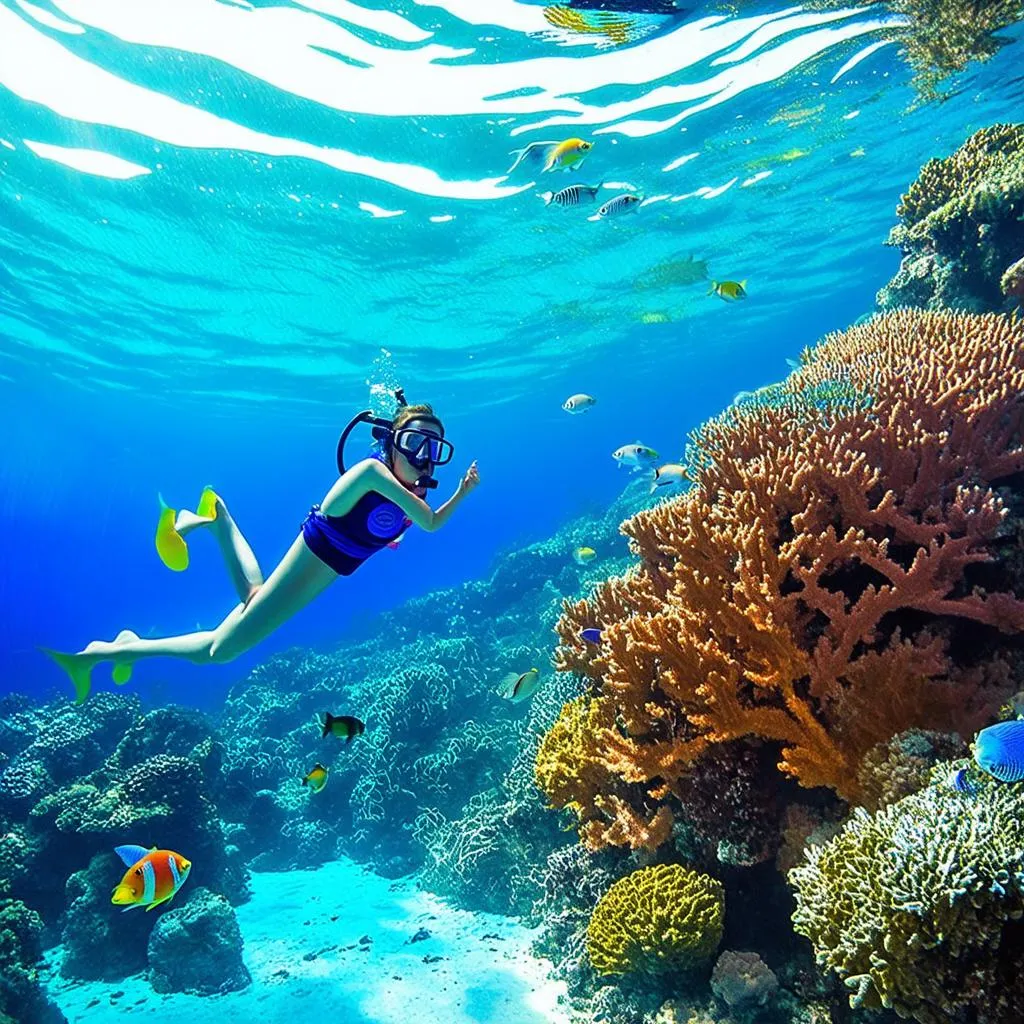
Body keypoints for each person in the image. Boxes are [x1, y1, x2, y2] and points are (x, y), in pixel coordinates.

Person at [44, 396, 478, 704]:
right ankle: (113, 649)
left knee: (248, 602)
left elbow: (393, 525)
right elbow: (431, 522)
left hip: (329, 567)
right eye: (414, 444)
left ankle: (218, 520)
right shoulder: (374, 473)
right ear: (391, 443)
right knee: (219, 651)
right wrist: (462, 491)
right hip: (320, 555)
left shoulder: (408, 489)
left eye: (433, 449)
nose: (424, 458)